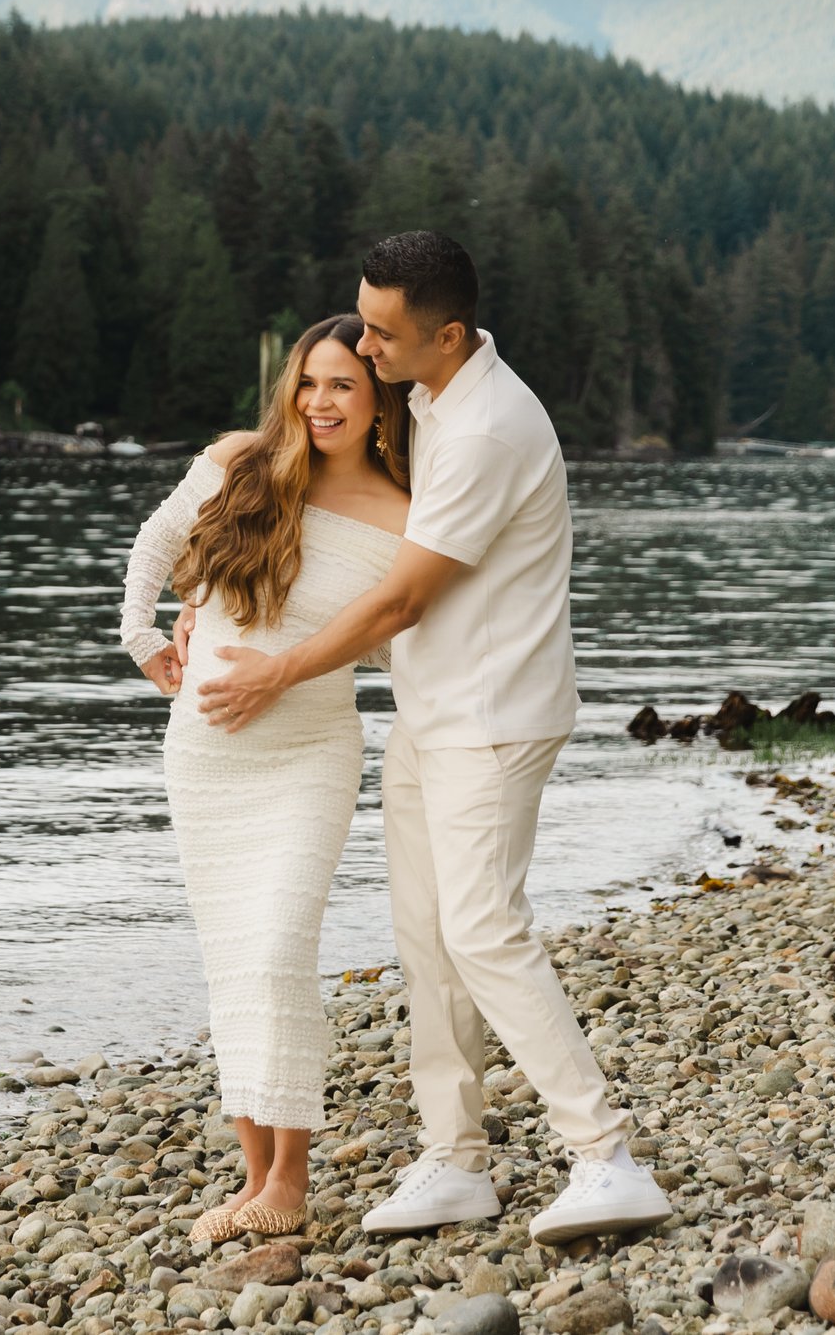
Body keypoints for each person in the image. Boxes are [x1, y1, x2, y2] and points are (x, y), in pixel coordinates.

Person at [183, 231, 671, 1245]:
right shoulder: (433, 395)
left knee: (484, 929)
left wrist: (276, 670)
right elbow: (330, 522)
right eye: (361, 317)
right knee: (427, 940)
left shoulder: (489, 426)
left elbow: (401, 595)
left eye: (381, 330)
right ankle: (455, 1158)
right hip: (432, 711)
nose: (363, 345)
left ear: (446, 333)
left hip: (492, 716)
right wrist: (208, 604)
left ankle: (603, 1154)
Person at [117, 313, 413, 1246]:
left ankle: (291, 1177)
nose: (320, 402)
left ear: (377, 405)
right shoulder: (239, 460)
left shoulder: (405, 511)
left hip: (308, 753)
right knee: (233, 958)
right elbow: (157, 543)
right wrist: (144, 639)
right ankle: (253, 1173)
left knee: (280, 946)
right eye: (310, 382)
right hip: (205, 754)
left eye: (344, 387)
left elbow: (403, 639)